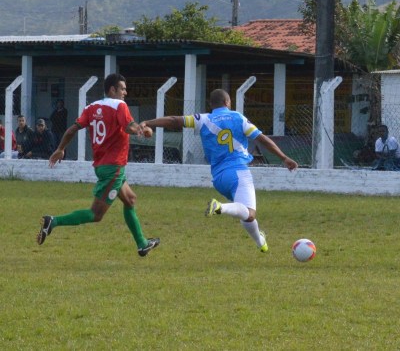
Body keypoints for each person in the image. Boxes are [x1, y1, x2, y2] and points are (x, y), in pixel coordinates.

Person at [140, 88, 298, 253]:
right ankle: (220, 207)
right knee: (249, 212)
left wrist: (148, 123)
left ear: (211, 104)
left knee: (243, 211)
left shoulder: (203, 119)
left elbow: (173, 120)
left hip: (219, 178)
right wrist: (283, 157)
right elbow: (262, 139)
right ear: (228, 102)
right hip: (238, 172)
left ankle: (261, 243)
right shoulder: (238, 118)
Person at [38, 73, 160, 257]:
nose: (125, 92)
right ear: (113, 89)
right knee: (96, 214)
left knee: (130, 199)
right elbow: (129, 127)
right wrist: (142, 130)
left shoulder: (91, 107)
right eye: (123, 88)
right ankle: (53, 221)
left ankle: (142, 244)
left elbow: (72, 129)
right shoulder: (120, 105)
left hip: (102, 166)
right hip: (113, 168)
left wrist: (60, 149)